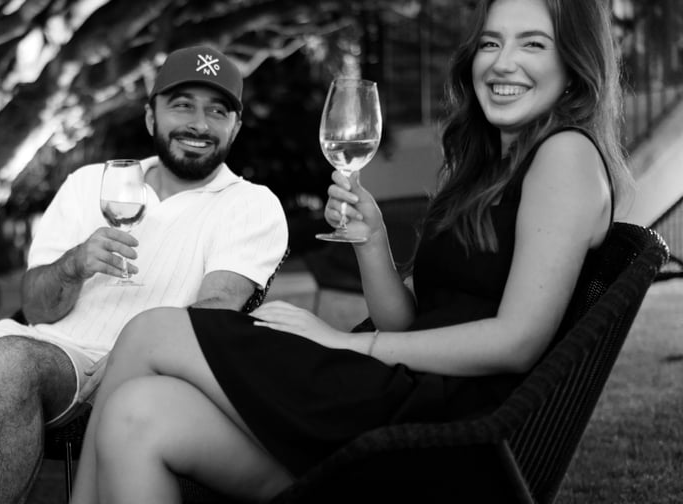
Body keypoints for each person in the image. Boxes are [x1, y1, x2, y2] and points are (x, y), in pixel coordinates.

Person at [70, 0, 634, 502]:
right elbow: (410, 322)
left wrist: (346, 343)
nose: (502, 62)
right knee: (134, 416)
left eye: (533, 43)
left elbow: (517, 341)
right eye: (491, 42)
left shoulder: (565, 157)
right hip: (406, 401)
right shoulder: (490, 167)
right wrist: (373, 241)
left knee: (152, 332)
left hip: (444, 429)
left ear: (575, 61)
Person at [0, 45, 288, 503]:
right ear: (151, 117)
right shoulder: (91, 183)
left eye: (218, 110)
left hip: (129, 373)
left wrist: (136, 347)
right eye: (182, 105)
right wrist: (73, 265)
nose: (199, 124)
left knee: (10, 360)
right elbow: (35, 307)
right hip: (30, 344)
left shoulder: (250, 203)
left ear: (236, 126)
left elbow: (215, 312)